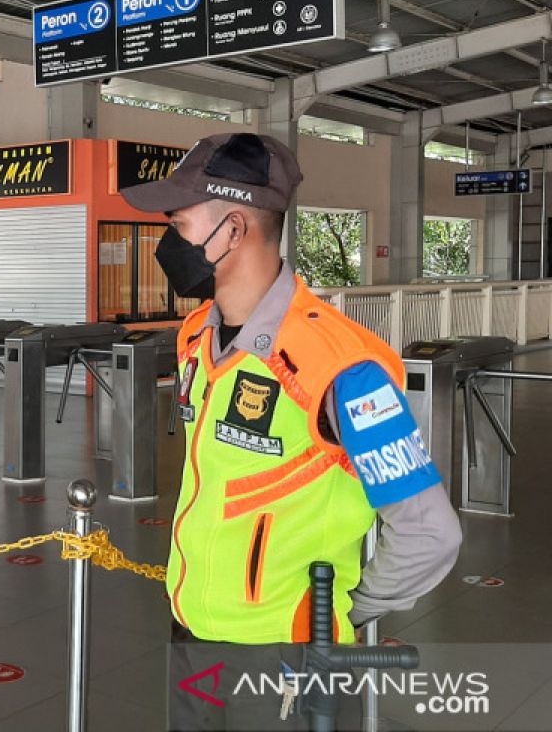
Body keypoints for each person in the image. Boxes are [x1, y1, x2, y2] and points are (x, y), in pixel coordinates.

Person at [119, 133, 462, 730]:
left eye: (178, 223)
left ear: (232, 229)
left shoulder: (341, 367)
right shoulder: (196, 336)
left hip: (286, 659)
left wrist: (335, 616)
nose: (167, 240)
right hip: (192, 632)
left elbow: (431, 532)